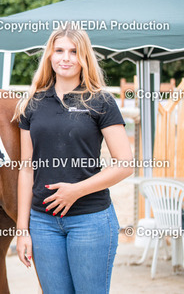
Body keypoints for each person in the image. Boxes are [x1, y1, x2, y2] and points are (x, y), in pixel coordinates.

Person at [15, 26, 133, 293]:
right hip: (43, 223)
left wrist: (76, 191)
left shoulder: (100, 101)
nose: (65, 58)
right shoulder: (31, 103)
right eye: (59, 50)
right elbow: (26, 169)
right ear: (49, 55)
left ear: (84, 58)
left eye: (74, 51)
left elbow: (125, 164)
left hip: (90, 220)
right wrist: (23, 230)